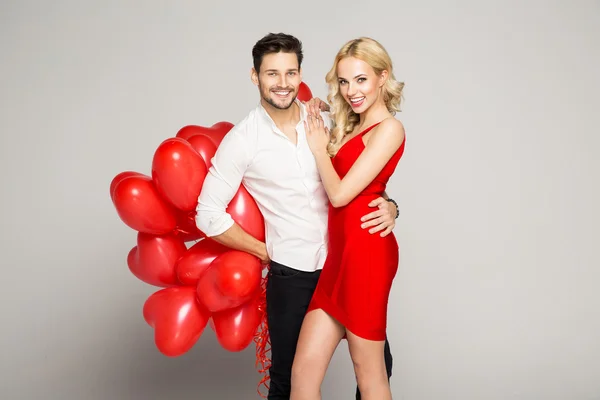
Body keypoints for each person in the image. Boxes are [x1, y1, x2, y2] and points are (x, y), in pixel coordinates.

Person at [195, 32, 398, 400]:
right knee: (290, 380)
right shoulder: (244, 139)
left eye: (291, 73)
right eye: (272, 74)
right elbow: (206, 214)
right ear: (255, 77)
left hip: (347, 260)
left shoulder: (324, 117)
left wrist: (392, 205)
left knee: (377, 367)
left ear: (300, 74)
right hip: (295, 274)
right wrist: (263, 251)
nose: (283, 83)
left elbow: (362, 175)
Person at [289, 37, 406, 400]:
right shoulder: (349, 126)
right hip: (337, 261)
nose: (351, 90)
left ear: (382, 77)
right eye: (343, 81)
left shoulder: (389, 129)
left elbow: (340, 195)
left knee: (369, 374)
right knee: (304, 372)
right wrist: (318, 115)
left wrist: (318, 147)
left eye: (360, 80)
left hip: (367, 256)